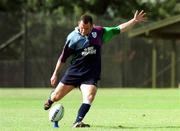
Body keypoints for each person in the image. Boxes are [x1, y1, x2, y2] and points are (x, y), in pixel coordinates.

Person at [44, 10, 146, 128]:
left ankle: (77, 121)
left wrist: (134, 21)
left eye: (86, 28)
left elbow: (118, 29)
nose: (83, 31)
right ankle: (50, 100)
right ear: (78, 24)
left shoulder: (99, 32)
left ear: (92, 26)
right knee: (56, 97)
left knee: (89, 96)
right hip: (74, 72)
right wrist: (55, 74)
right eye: (81, 28)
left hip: (90, 74)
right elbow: (63, 58)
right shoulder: (72, 38)